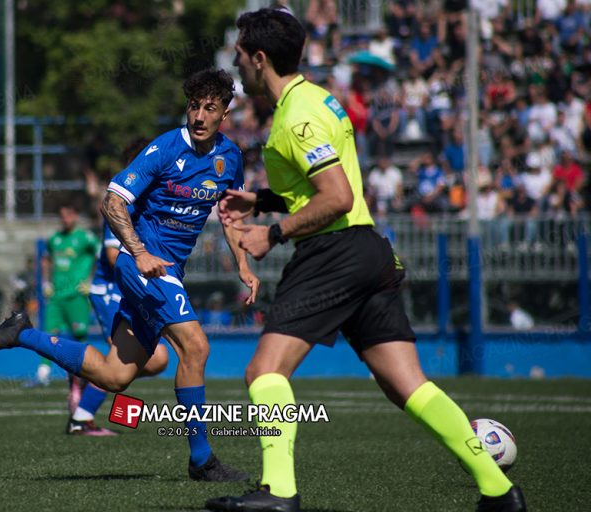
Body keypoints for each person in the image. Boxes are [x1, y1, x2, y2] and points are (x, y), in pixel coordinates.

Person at [206, 9, 525, 512]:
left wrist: (273, 233)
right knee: (407, 386)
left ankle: (279, 492)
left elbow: (334, 195)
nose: (238, 63)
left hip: (332, 253)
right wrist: (263, 200)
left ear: (260, 58)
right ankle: (499, 491)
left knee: (264, 372)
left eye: (241, 54)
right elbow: (321, 189)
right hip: (367, 251)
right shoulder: (317, 100)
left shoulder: (296, 115)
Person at [0, 69, 260, 482]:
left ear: (225, 113)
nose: (198, 116)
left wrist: (244, 265)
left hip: (167, 269)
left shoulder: (229, 158)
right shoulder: (163, 149)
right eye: (193, 106)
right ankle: (202, 460)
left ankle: (22, 333)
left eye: (209, 108)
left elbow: (229, 214)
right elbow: (112, 202)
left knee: (114, 375)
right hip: (140, 264)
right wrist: (139, 251)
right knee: (195, 348)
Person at [67, 138, 170, 437]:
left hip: (132, 294)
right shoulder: (125, 200)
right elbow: (113, 255)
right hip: (111, 293)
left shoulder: (152, 199)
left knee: (156, 360)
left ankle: (88, 375)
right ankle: (82, 417)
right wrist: (147, 263)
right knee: (132, 360)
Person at [39, 201, 100, 414]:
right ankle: (43, 371)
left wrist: (92, 281)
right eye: (62, 215)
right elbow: (45, 260)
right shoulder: (55, 239)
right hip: (56, 295)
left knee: (79, 333)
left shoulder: (85, 237)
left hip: (77, 295)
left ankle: (80, 371)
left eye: (68, 214)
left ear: (75, 215)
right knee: (49, 333)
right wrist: (46, 282)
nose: (65, 219)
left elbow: (102, 256)